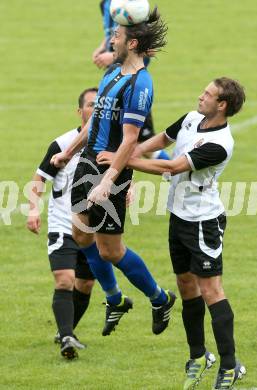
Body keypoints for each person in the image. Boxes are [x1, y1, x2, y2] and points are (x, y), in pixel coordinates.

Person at [97, 77, 247, 389]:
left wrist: (121, 161)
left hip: (204, 223)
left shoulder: (219, 144)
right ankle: (198, 355)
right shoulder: (193, 118)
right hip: (178, 217)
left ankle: (230, 367)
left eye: (207, 94)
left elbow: (174, 167)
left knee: (211, 290)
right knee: (185, 285)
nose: (200, 96)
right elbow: (162, 140)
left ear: (222, 105)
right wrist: (128, 157)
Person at [51, 8, 176, 337]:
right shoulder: (112, 73)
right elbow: (93, 121)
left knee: (110, 250)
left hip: (111, 171)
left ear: (131, 42)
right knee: (80, 236)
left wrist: (109, 182)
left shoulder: (140, 84)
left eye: (117, 37)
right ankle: (116, 298)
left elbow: (132, 139)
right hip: (87, 163)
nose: (111, 39)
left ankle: (159, 298)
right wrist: (68, 152)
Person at [26, 87, 125, 360]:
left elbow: (122, 167)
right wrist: (33, 210)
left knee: (84, 285)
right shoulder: (62, 143)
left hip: (92, 228)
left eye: (99, 106)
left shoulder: (109, 144)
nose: (95, 110)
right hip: (62, 224)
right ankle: (68, 337)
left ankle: (66, 331)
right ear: (80, 111)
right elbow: (39, 178)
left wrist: (128, 188)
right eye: (90, 105)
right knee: (65, 280)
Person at [92, 0, 170, 160]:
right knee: (122, 142)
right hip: (115, 78)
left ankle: (176, 173)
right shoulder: (106, 5)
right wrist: (103, 46)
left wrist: (111, 56)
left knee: (135, 144)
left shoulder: (134, 7)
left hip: (130, 83)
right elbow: (111, 32)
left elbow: (151, 48)